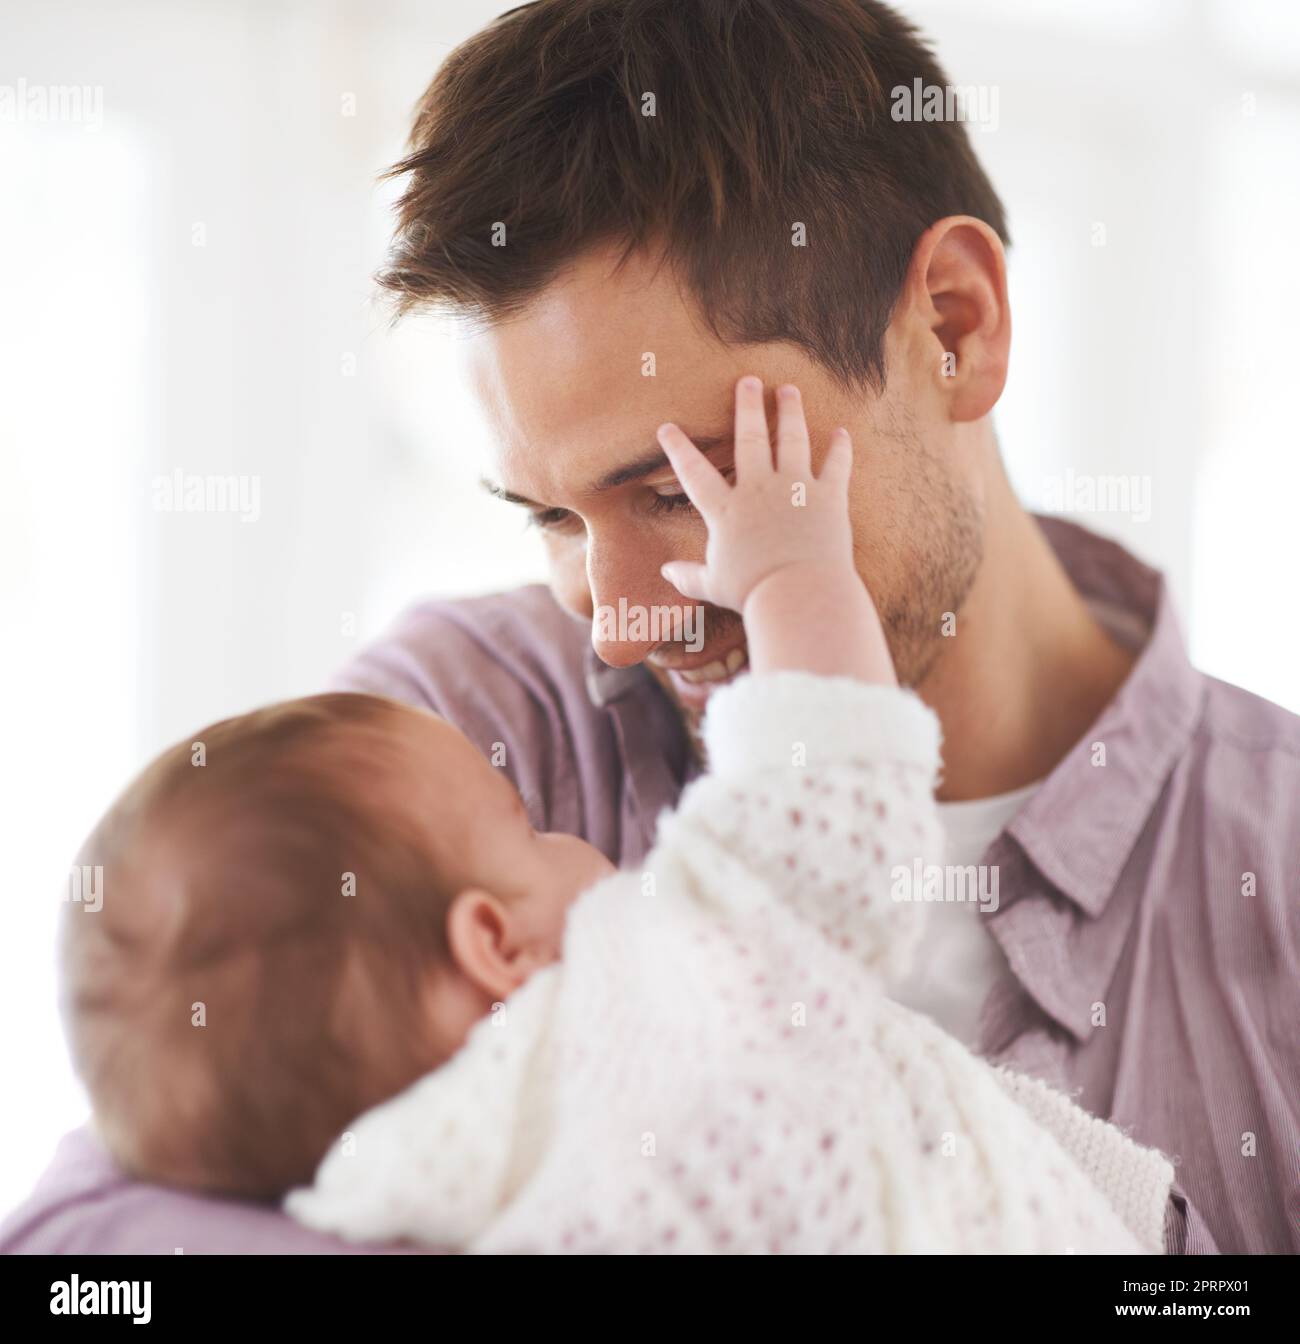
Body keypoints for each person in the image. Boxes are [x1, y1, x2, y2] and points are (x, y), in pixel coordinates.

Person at [5, 0, 1294, 1256]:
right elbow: (95, 1248)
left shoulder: (1274, 878)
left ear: (956, 325)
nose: (616, 624)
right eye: (553, 519)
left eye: (680, 488)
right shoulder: (451, 740)